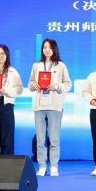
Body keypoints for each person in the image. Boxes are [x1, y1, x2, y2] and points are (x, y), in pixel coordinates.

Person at [29, 38, 71, 177]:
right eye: (44, 47)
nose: (47, 50)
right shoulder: (36, 65)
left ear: (54, 49)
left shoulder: (60, 66)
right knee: (40, 139)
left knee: (54, 139)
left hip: (55, 106)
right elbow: (30, 83)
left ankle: (53, 166)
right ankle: (42, 166)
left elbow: (68, 84)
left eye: (49, 47)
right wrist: (34, 85)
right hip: (39, 106)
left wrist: (57, 86)